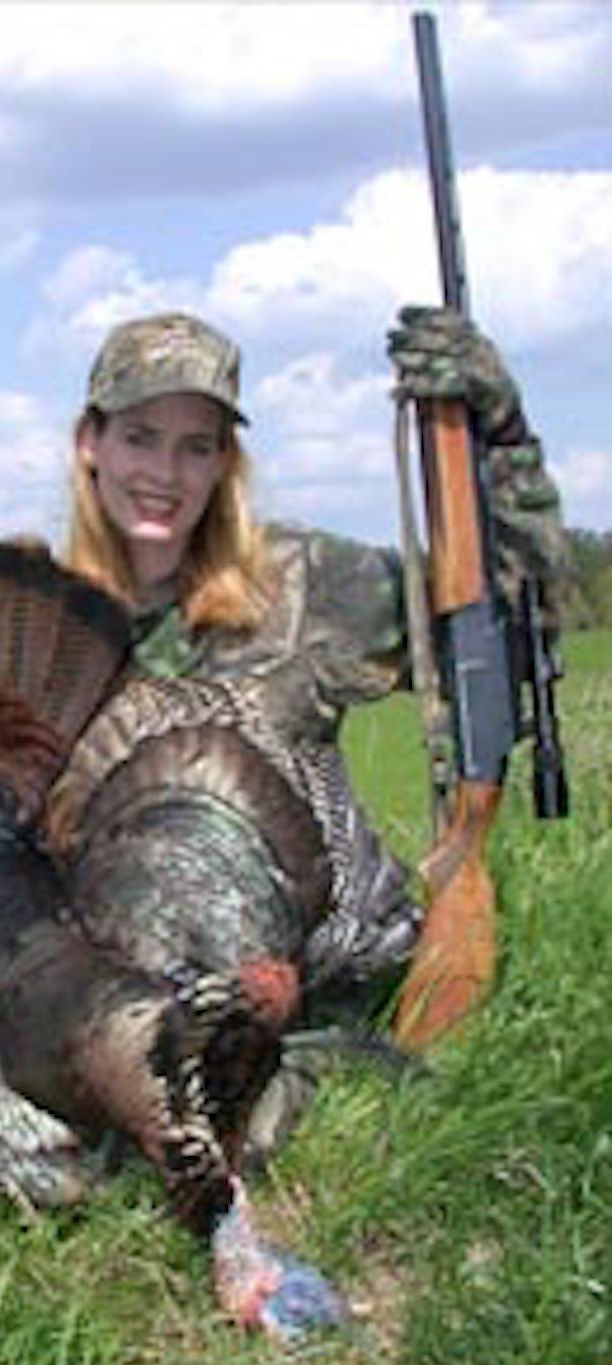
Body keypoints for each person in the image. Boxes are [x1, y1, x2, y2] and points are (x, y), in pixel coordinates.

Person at [60, 306, 566, 1156]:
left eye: (198, 444)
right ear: (91, 443)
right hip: (123, 1006)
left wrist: (504, 435)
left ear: (226, 461)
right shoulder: (31, 625)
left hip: (306, 988)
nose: (166, 472)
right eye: (142, 437)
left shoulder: (301, 580)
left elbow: (514, 612)